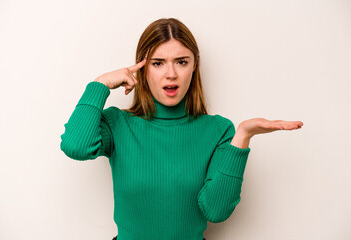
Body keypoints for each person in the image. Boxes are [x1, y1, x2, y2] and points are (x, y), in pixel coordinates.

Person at [60, 18, 303, 240]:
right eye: (158, 63)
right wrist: (100, 84)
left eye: (181, 62)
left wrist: (243, 136)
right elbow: (75, 146)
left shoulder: (218, 130)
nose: (171, 74)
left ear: (194, 65)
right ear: (142, 68)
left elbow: (216, 211)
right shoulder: (117, 124)